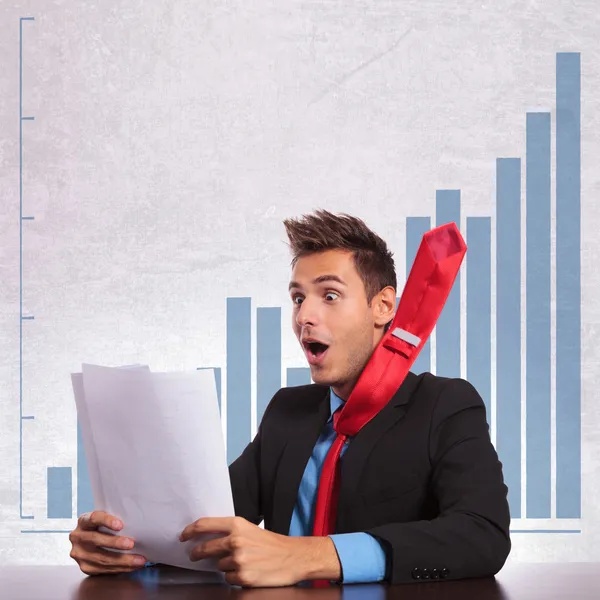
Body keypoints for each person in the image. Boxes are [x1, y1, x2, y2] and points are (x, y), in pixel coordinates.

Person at [69, 209, 511, 587]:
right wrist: (127, 546)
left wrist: (308, 556)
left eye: (330, 295)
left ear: (383, 307)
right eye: (298, 298)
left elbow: (483, 534)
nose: (305, 316)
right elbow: (204, 523)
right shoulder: (288, 411)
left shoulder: (446, 405)